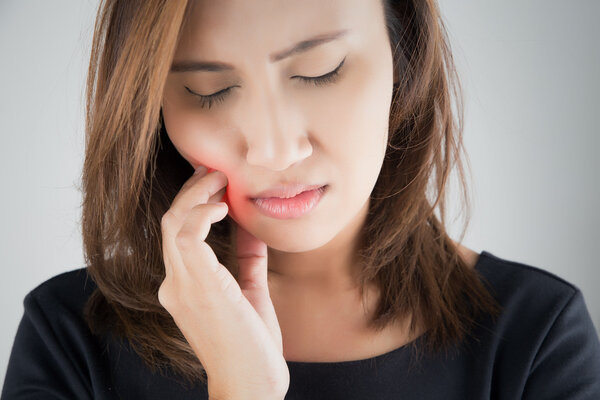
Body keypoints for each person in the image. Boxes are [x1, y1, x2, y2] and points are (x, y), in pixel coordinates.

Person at [3, 0, 600, 399]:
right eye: (208, 91)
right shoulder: (68, 337)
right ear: (153, 111)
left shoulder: (535, 337)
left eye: (320, 72)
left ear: (405, 62)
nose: (273, 149)